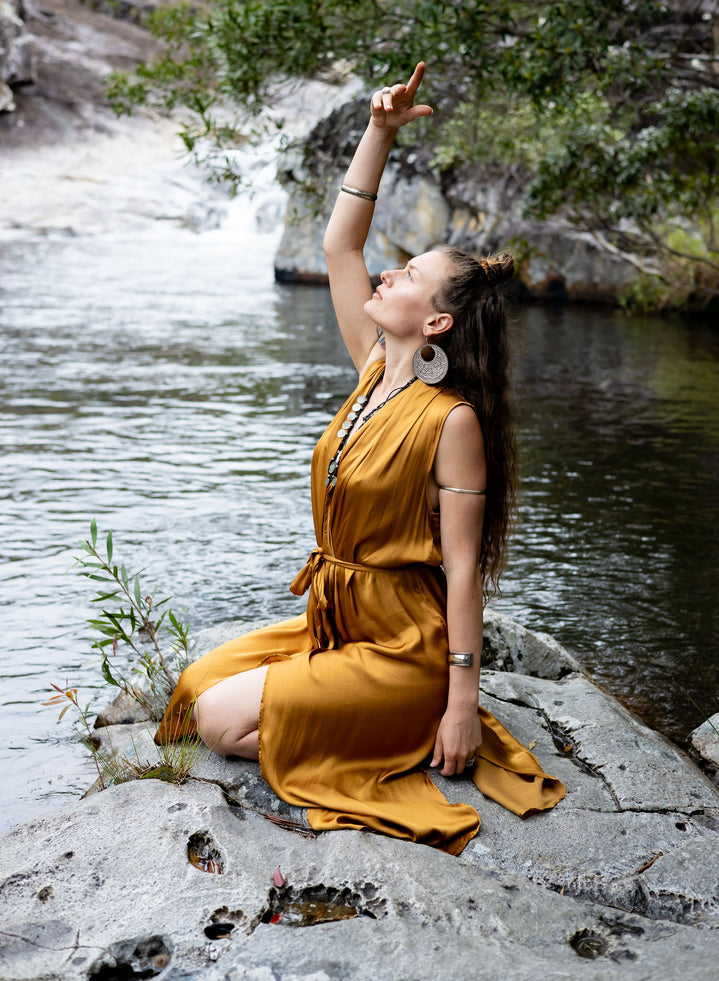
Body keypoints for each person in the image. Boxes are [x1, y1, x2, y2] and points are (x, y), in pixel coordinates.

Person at [155, 62, 564, 855]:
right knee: (197, 683)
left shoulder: (451, 424)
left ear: (438, 323)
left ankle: (404, 721)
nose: (386, 270)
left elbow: (462, 570)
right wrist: (378, 132)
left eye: (407, 274)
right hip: (338, 622)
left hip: (403, 646)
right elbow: (340, 241)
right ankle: (354, 711)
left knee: (220, 718)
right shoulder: (374, 364)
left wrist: (459, 701)